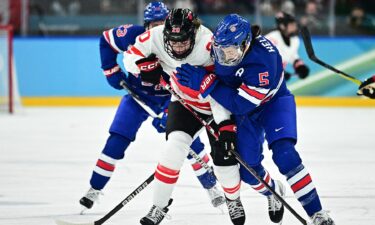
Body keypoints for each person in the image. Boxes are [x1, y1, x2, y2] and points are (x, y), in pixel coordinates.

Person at [175, 14, 336, 225]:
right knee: (249, 171)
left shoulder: (263, 64)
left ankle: (318, 214)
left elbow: (238, 104)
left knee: (285, 155)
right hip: (245, 108)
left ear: (246, 43)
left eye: (230, 50)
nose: (223, 56)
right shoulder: (222, 45)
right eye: (220, 49)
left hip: (272, 104)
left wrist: (207, 83)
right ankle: (274, 192)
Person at [79, 2, 224, 212]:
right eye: (153, 24)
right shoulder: (136, 37)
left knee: (189, 143)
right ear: (146, 24)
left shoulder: (179, 42)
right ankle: (94, 188)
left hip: (170, 98)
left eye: (161, 23)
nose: (157, 28)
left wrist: (171, 113)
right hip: (137, 98)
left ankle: (212, 187)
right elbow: (106, 41)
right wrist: (111, 71)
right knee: (117, 140)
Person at [123, 8, 242, 225]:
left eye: (183, 41)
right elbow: (129, 56)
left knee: (224, 161)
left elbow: (221, 87)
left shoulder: (209, 45)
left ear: (193, 34)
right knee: (172, 150)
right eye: (173, 41)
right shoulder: (156, 35)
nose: (177, 46)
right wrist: (141, 67)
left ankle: (233, 199)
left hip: (214, 103)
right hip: (183, 101)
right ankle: (158, 206)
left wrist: (224, 123)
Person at [265, 11, 310, 81]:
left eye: (295, 24)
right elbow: (265, 60)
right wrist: (279, 72)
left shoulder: (295, 40)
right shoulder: (271, 39)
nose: (295, 27)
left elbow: (292, 55)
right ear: (282, 26)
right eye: (292, 25)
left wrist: (300, 66)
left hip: (272, 81)